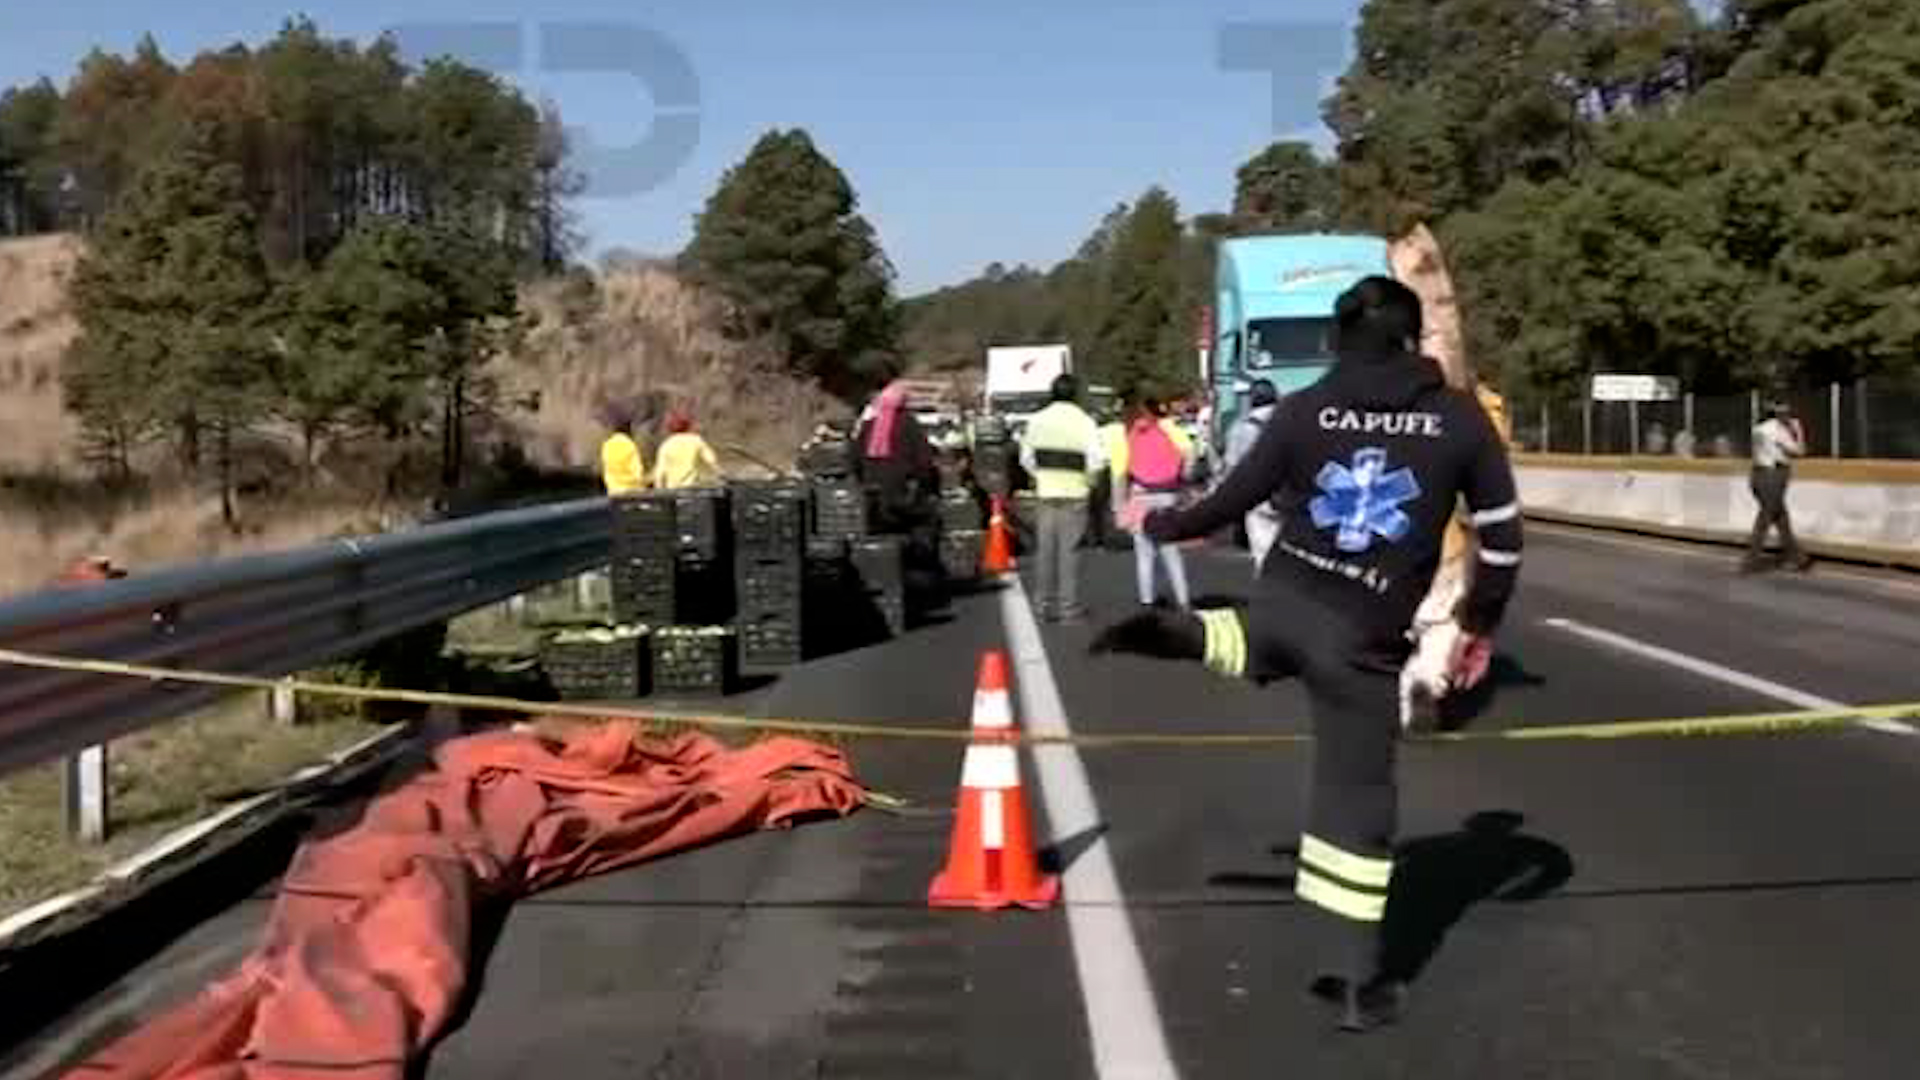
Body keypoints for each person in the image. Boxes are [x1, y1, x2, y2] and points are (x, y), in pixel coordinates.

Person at [1089, 276, 1523, 1032]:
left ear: (1337, 340)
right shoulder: (1458, 422)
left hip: (1286, 601)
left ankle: (1199, 633)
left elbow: (1226, 504)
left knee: (1269, 639)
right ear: (1413, 342)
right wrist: (1478, 624)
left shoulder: (1303, 409)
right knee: (1355, 804)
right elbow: (1505, 540)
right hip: (1361, 637)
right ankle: (1353, 982)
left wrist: (1157, 528)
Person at [1017, 373, 1104, 623]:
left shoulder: (1037, 420)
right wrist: (1088, 481)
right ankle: (1068, 608)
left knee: (1045, 550)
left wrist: (1040, 475)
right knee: (1069, 553)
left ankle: (1042, 605)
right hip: (1075, 492)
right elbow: (1096, 459)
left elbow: (1026, 458)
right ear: (1074, 394)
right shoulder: (1085, 421)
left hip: (1046, 492)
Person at [1119, 397, 1193, 609]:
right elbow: (1189, 453)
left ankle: (1147, 601)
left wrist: (1120, 500)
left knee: (1144, 555)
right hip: (1166, 494)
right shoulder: (1170, 431)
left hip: (1140, 495)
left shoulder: (1131, 434)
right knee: (1171, 552)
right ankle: (1183, 600)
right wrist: (1182, 478)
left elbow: (1123, 467)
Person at [1746, 400, 1812, 573]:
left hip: (1756, 475)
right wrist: (1798, 431)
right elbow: (1800, 452)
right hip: (1773, 476)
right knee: (1765, 519)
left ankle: (1799, 558)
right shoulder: (1778, 431)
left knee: (1781, 519)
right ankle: (1750, 561)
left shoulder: (1758, 429)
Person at [1225, 379, 1283, 572]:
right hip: (1291, 493)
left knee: (1262, 551)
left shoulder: (1240, 427)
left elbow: (1232, 465)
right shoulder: (1294, 420)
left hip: (1258, 497)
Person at [651, 409, 722, 489]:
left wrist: (659, 488)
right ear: (688, 425)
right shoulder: (696, 440)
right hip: (692, 488)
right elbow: (711, 461)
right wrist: (721, 474)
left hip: (673, 491)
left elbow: (660, 472)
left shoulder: (667, 444)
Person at [599, 401, 648, 496]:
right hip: (632, 495)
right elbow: (637, 474)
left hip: (614, 494)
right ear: (628, 428)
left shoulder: (607, 445)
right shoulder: (629, 445)